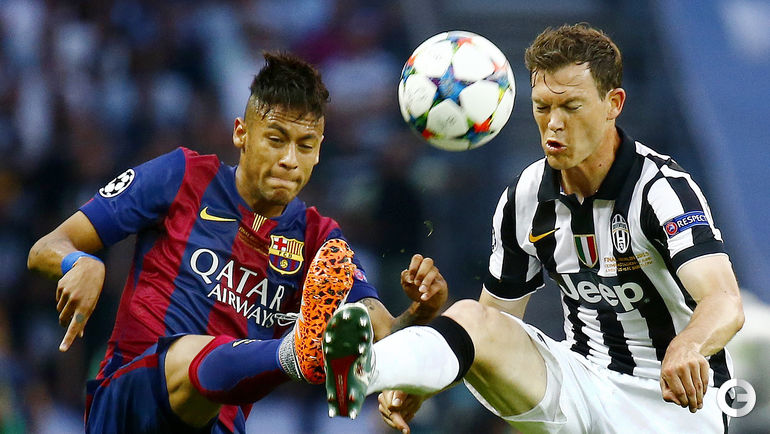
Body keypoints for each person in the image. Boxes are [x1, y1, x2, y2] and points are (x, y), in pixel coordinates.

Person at [323, 24, 745, 433]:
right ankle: (366, 369)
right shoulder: (524, 197)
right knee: (472, 315)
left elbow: (724, 301)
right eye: (542, 107)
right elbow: (491, 334)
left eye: (571, 107)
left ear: (613, 104)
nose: (554, 124)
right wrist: (423, 380)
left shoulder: (660, 189)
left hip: (673, 403)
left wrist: (689, 345)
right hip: (582, 385)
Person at [26, 51, 448, 433]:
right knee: (188, 354)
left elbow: (378, 329)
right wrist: (77, 263)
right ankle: (295, 354)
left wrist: (420, 311)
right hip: (132, 401)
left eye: (305, 146)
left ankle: (299, 353)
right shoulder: (182, 176)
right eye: (276, 139)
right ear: (241, 133)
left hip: (219, 426)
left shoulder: (319, 239)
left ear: (319, 152)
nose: (290, 160)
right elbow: (47, 246)